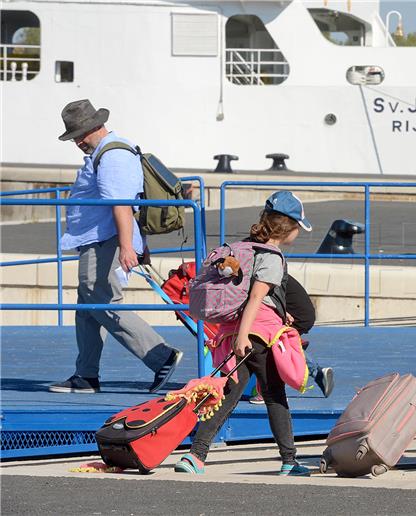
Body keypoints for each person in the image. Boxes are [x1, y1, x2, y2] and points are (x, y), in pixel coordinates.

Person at [174, 191, 312, 476]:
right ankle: (289, 461)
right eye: (298, 226)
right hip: (256, 337)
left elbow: (251, 296)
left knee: (226, 396)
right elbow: (255, 299)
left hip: (234, 330)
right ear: (288, 227)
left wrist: (270, 317)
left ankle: (195, 456)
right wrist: (244, 337)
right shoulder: (273, 257)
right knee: (274, 395)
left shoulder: (244, 249)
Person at [49, 99, 182, 394]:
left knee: (102, 304)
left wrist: (127, 247)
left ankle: (161, 356)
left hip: (105, 241)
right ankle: (86, 375)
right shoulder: (110, 151)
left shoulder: (112, 156)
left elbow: (121, 204)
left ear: (94, 128)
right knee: (87, 308)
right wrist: (136, 242)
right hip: (100, 240)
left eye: (79, 135)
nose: (78, 142)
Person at [249, 274, 335, 403]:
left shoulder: (263, 274)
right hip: (300, 312)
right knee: (280, 344)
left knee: (271, 343)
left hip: (296, 314)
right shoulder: (270, 267)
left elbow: (264, 300)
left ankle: (270, 393)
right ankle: (317, 372)